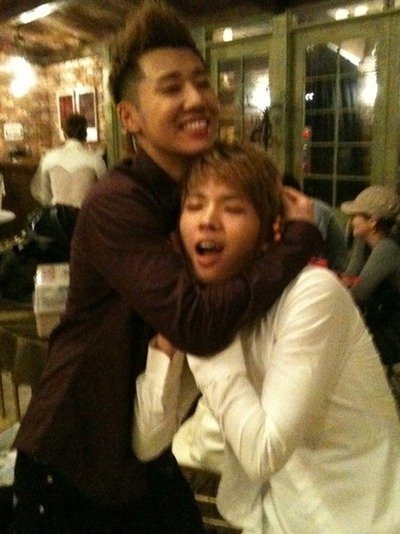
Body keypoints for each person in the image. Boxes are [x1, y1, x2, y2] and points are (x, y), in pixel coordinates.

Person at [9, 2, 322, 533]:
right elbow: (195, 321)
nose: (197, 99)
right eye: (172, 87)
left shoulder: (192, 198)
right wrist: (298, 240)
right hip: (72, 455)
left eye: (201, 82)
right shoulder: (117, 202)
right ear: (130, 117)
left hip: (141, 448)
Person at [133, 142, 400, 533]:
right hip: (279, 517)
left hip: (359, 520)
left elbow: (263, 452)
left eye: (232, 208)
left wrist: (203, 330)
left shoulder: (312, 295)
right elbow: (148, 442)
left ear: (269, 230)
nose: (208, 220)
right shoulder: (211, 305)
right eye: (194, 205)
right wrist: (168, 341)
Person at [340, 185, 400, 377]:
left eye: (355, 216)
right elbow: (350, 276)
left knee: (340, 348)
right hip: (379, 324)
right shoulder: (366, 243)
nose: (350, 221)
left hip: (393, 334)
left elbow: (357, 293)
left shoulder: (387, 249)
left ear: (372, 221)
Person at [30, 113, 107, 208]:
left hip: (58, 214)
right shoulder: (95, 160)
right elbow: (104, 192)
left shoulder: (49, 158)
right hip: (85, 213)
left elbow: (42, 193)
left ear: (64, 134)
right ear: (85, 134)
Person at [283, 173, 348, 271]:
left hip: (334, 271)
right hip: (315, 268)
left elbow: (313, 249)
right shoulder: (289, 213)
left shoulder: (316, 208)